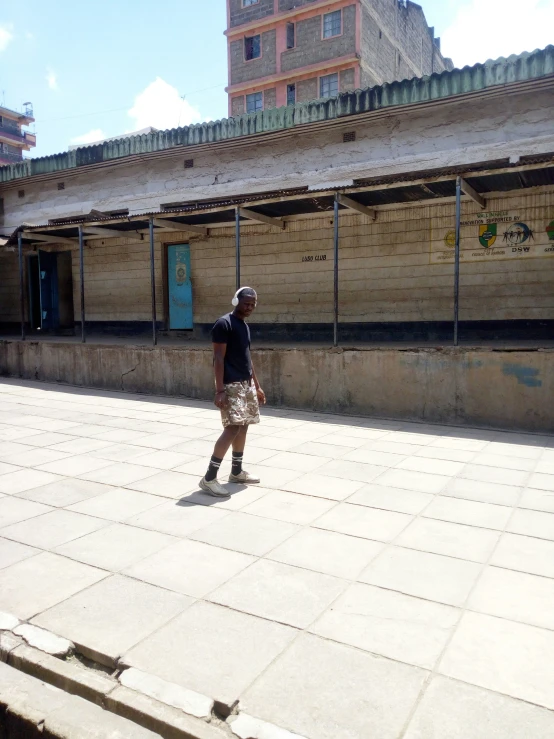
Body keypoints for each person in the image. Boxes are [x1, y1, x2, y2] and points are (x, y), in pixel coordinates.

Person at [199, 286, 266, 497]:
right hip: (231, 385)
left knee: (243, 426)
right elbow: (218, 358)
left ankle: (236, 471)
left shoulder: (244, 326)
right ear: (236, 301)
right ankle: (209, 478)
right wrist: (219, 390)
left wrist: (256, 385)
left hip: (246, 384)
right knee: (232, 428)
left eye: (253, 304)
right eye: (246, 303)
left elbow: (248, 357)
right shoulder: (223, 324)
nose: (249, 307)